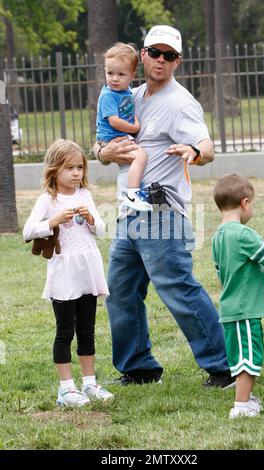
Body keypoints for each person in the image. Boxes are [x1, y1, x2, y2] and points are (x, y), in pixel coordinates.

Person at [94, 25, 233, 388]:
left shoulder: (180, 102)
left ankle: (224, 366)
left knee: (177, 288)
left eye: (169, 55)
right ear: (142, 55)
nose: (160, 60)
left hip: (161, 213)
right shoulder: (129, 93)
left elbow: (208, 147)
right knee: (120, 290)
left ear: (177, 62)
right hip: (129, 212)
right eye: (154, 52)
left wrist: (194, 152)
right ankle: (139, 367)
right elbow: (102, 142)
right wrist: (101, 152)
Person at [23, 139, 114, 407]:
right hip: (64, 273)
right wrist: (52, 221)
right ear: (54, 170)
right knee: (65, 330)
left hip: (88, 271)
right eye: (69, 168)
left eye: (80, 167)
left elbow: (101, 230)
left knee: (87, 329)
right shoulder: (47, 200)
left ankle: (89, 383)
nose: (76, 173)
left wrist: (91, 219)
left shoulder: (85, 196)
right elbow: (29, 230)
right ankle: (66, 389)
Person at [212, 174, 264, 418]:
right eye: (252, 203)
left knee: (239, 355)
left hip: (230, 307)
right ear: (245, 203)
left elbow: (219, 270)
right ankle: (242, 406)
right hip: (246, 308)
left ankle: (246, 397)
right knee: (249, 356)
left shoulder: (218, 236)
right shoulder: (245, 234)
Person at [96, 42, 152, 212]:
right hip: (114, 137)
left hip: (118, 136)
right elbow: (114, 121)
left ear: (132, 75)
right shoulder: (108, 95)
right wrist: (134, 127)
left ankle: (128, 196)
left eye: (121, 74)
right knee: (140, 157)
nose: (114, 78)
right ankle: (132, 194)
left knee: (129, 164)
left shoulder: (126, 91)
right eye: (110, 73)